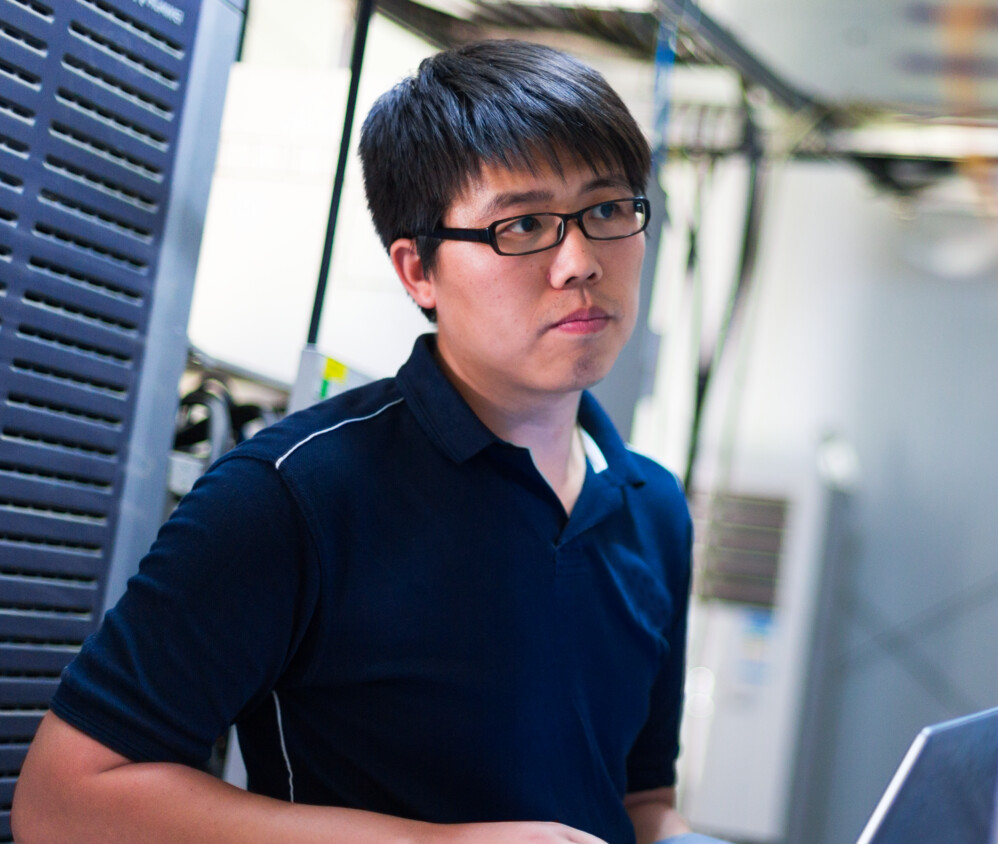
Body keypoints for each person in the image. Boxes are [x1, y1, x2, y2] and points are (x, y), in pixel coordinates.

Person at [14, 40, 718, 844]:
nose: (580, 262)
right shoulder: (294, 495)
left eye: (606, 209)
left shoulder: (653, 508)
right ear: (417, 270)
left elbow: (637, 801)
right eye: (522, 225)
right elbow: (64, 802)